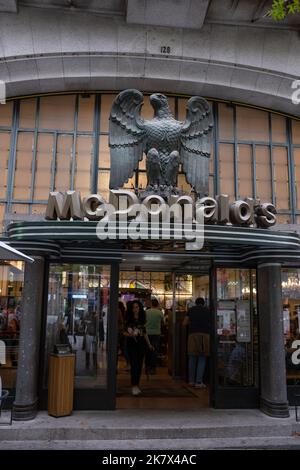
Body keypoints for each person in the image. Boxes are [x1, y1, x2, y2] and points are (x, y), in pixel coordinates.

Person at [123, 300, 154, 396]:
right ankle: (134, 385)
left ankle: (137, 385)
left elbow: (144, 333)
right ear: (131, 309)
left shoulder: (142, 319)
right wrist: (129, 334)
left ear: (140, 308)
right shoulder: (128, 319)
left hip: (141, 344)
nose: (135, 309)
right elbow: (123, 332)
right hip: (131, 344)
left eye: (137, 307)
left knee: (140, 365)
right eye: (133, 307)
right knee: (134, 365)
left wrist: (149, 345)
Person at [183, 297, 210, 388]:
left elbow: (184, 323)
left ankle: (191, 381)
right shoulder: (207, 310)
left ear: (195, 303)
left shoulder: (191, 310)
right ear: (203, 303)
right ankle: (199, 382)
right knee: (202, 358)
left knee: (192, 357)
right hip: (204, 336)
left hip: (192, 335)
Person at [145, 298, 164, 374]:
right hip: (156, 333)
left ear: (151, 304)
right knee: (154, 351)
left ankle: (147, 367)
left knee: (147, 350)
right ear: (157, 304)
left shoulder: (146, 312)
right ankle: (152, 368)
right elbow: (163, 322)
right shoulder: (160, 313)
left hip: (147, 334)